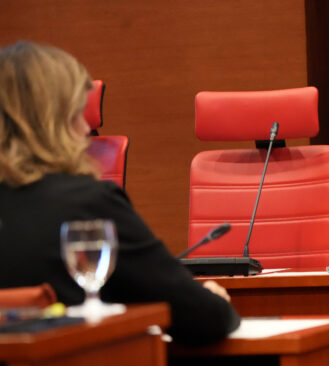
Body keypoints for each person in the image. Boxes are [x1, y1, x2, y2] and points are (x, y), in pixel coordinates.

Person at [0, 41, 240, 346]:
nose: (86, 130)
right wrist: (213, 300)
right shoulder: (87, 204)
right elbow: (203, 318)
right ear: (54, 121)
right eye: (77, 113)